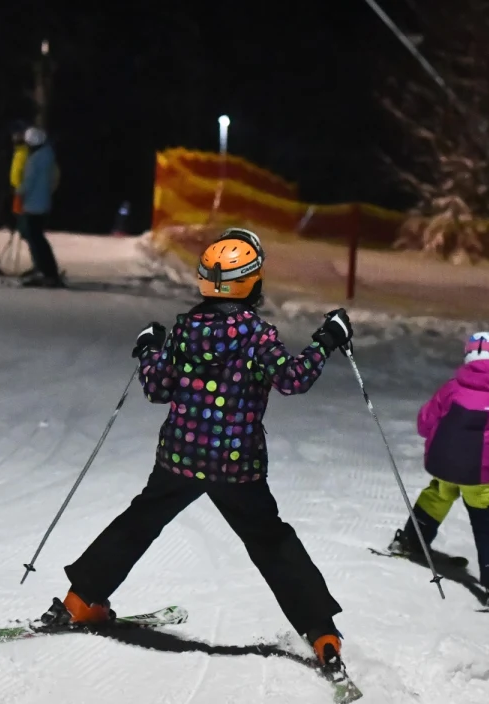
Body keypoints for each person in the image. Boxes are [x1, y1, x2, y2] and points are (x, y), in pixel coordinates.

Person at [36, 228, 356, 674]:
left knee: (139, 522)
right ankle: (321, 632)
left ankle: (79, 600)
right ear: (253, 282)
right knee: (269, 540)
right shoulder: (257, 335)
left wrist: (150, 349)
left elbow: (157, 387)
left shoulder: (186, 331)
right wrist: (327, 339)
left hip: (181, 457)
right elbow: (293, 379)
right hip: (236, 464)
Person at [388, 332, 489, 610]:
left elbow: (424, 422)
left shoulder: (452, 388)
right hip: (475, 474)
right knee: (486, 522)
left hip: (442, 463)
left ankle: (411, 540)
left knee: (438, 495)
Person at [16, 126, 63, 288]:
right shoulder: (49, 156)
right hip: (43, 204)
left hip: (32, 205)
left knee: (35, 239)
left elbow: (27, 183)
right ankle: (47, 269)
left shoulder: (35, 159)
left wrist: (18, 193)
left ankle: (47, 271)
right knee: (38, 238)